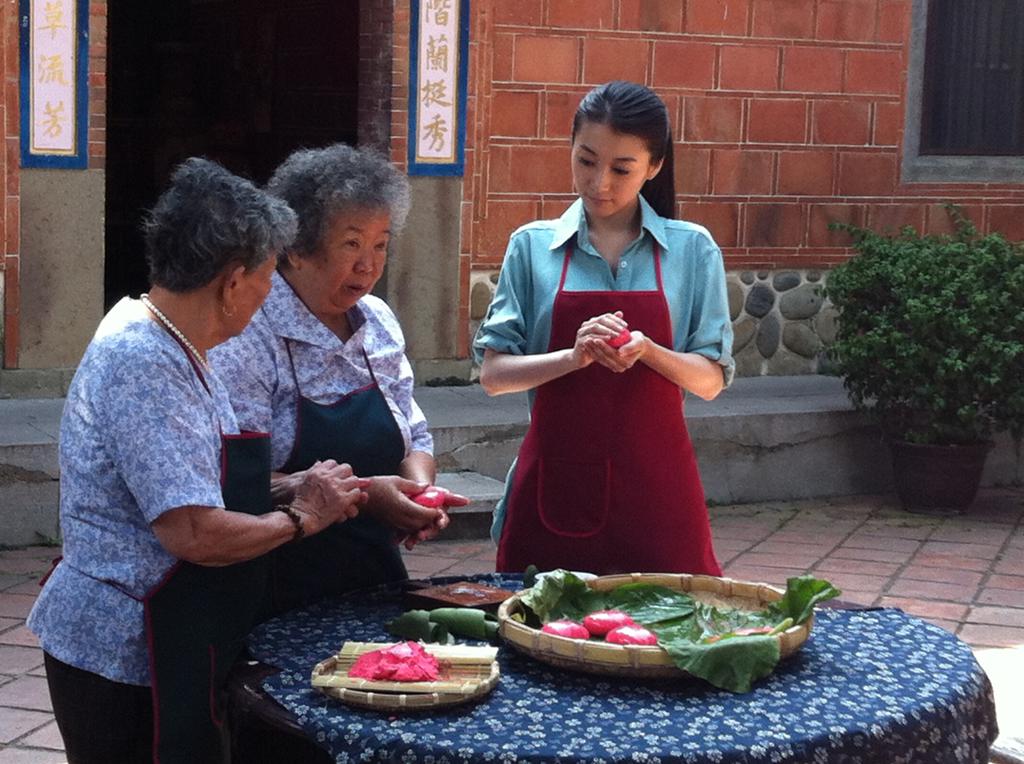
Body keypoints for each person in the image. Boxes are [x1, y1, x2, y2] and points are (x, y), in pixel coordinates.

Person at [27, 158, 368, 764]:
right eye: (267, 279)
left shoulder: (178, 341)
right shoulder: (144, 360)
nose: (269, 297)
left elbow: (197, 477)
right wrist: (302, 520)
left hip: (171, 636)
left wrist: (295, 486)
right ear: (233, 282)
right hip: (122, 649)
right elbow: (192, 531)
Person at [474, 81, 734, 576]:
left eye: (622, 169)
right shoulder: (532, 247)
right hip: (557, 487)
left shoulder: (692, 250)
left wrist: (649, 351)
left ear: (654, 166)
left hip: (660, 498)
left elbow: (710, 381)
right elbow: (494, 376)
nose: (599, 183)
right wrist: (574, 357)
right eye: (586, 161)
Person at [210, 143, 467, 614]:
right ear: (296, 249)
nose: (367, 265)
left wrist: (417, 494)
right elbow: (234, 481)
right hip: (274, 580)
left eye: (380, 244)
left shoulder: (380, 321)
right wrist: (370, 496)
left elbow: (415, 432)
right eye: (351, 243)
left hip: (372, 575)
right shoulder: (250, 331)